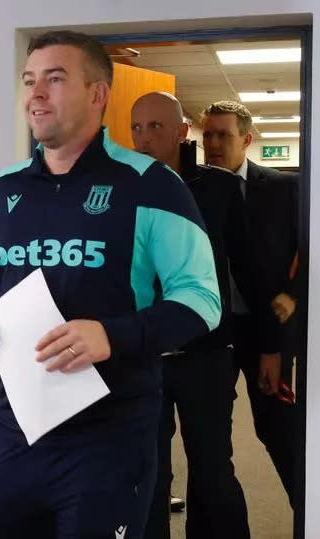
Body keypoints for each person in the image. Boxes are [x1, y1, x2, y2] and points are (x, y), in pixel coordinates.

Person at [0, 31, 221, 539]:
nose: (36, 93)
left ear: (98, 95)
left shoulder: (151, 184)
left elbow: (202, 299)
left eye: (55, 79)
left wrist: (111, 336)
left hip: (110, 433)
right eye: (30, 81)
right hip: (14, 427)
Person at [131, 92, 251, 539]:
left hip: (207, 353)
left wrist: (266, 347)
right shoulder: (122, 189)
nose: (143, 139)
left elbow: (243, 270)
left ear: (182, 132)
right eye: (136, 128)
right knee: (149, 471)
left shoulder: (219, 189)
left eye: (156, 127)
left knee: (213, 469)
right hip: (143, 353)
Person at [201, 100, 300, 505]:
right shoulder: (192, 191)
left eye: (223, 134)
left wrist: (293, 296)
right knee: (209, 434)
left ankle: (306, 511)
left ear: (246, 138)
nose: (212, 143)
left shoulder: (284, 188)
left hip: (267, 328)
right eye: (207, 134)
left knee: (275, 428)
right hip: (213, 332)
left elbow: (311, 252)